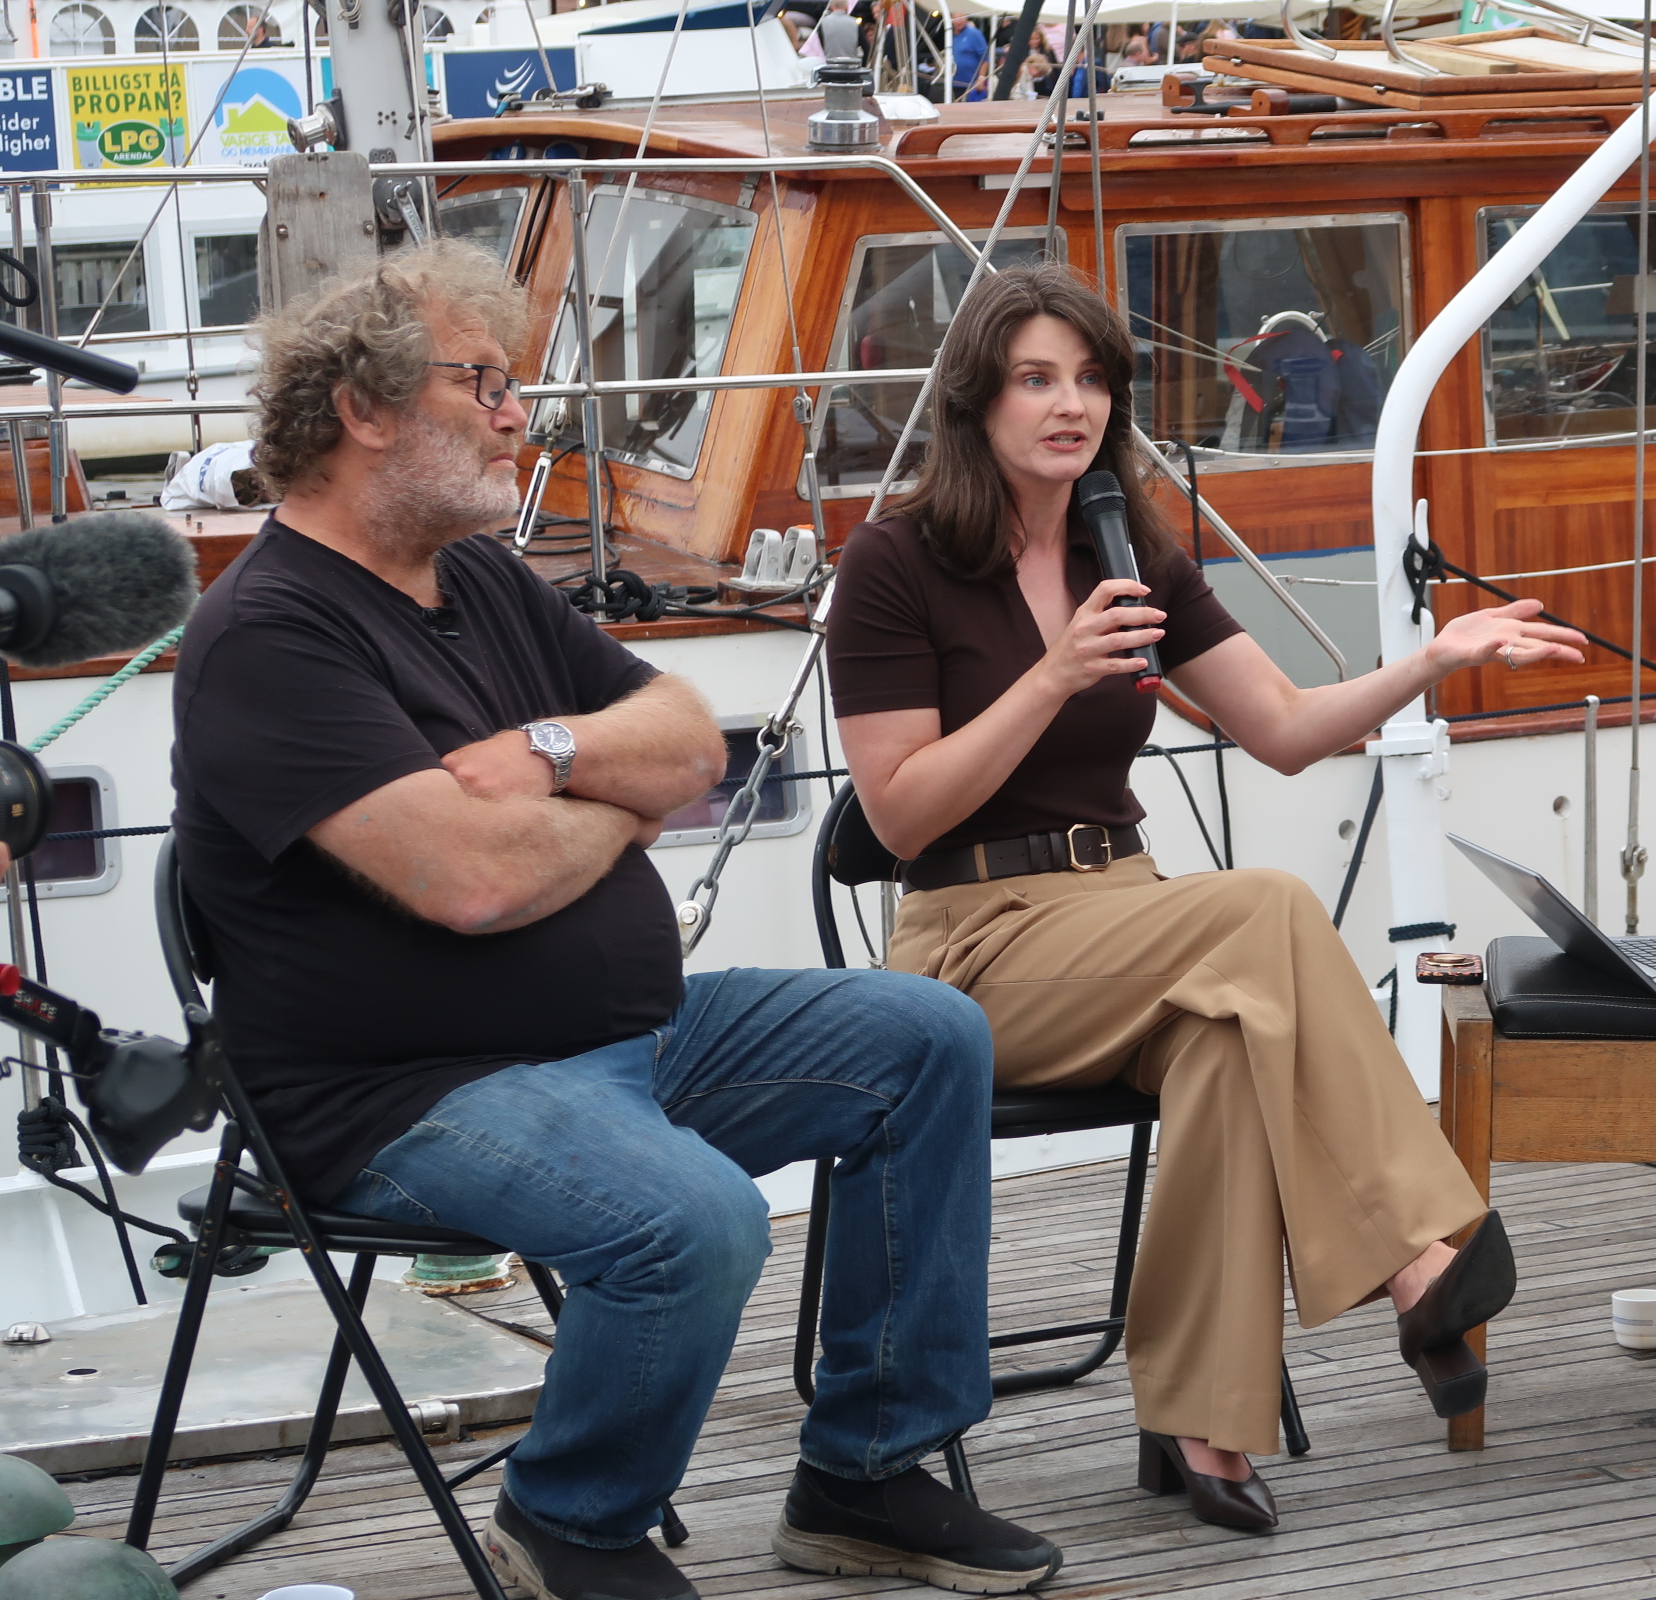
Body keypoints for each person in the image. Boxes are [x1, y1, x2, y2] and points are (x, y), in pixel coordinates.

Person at [172, 242, 1064, 1600]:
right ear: (362, 410)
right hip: (405, 1100)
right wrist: (620, 807)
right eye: (484, 382)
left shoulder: (479, 581)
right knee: (692, 1219)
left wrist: (555, 755)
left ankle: (868, 1471)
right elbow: (473, 880)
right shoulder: (269, 635)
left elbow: (689, 741)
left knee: (926, 1035)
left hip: (632, 1043)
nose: (516, 414)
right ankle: (573, 1522)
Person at [825, 262, 1582, 1531]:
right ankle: (1417, 1255)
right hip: (970, 942)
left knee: (1229, 1041)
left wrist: (1433, 660)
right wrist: (1055, 675)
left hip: (1123, 916)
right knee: (1268, 908)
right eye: (1035, 379)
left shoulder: (1124, 547)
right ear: (977, 399)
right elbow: (900, 814)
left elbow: (1281, 728)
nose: (1070, 405)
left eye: (1090, 379)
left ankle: (1199, 1423)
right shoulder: (897, 560)